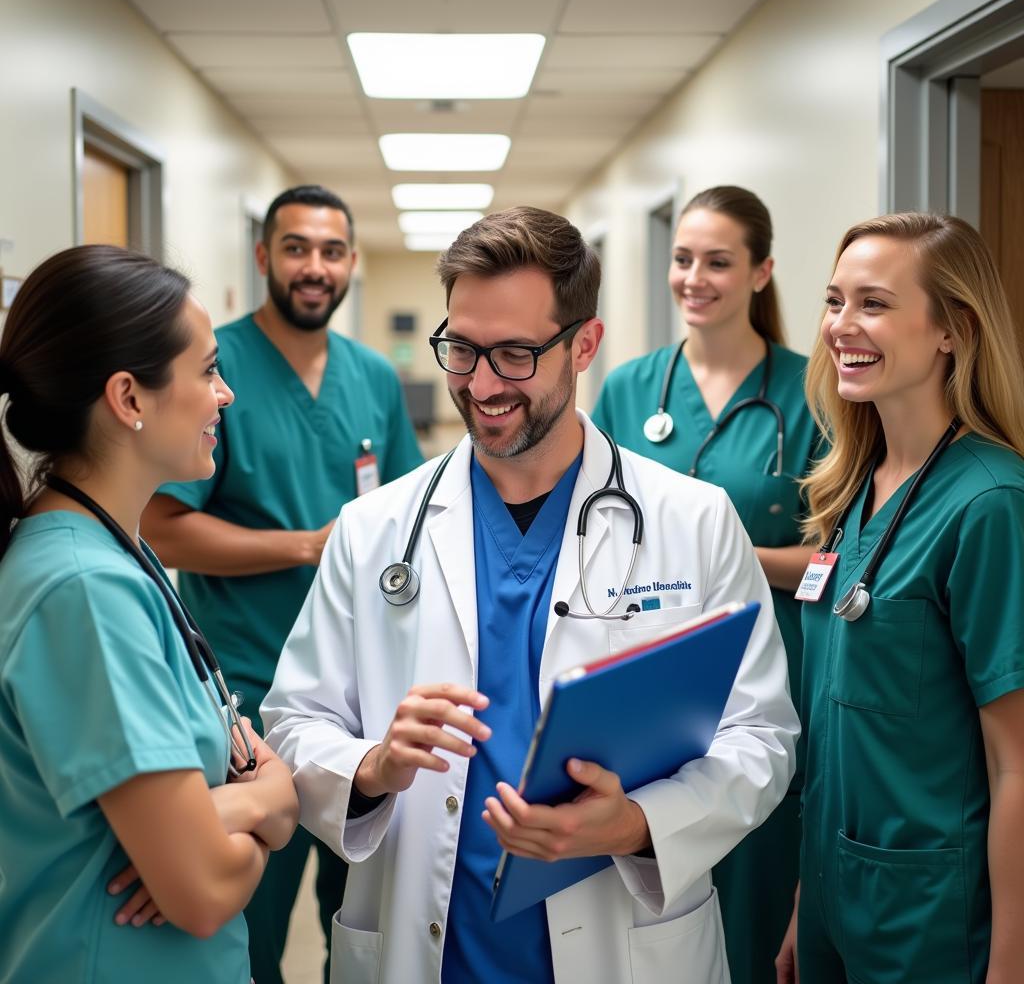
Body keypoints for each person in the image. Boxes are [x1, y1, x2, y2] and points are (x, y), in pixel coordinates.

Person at [261, 206, 799, 984]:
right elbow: (293, 723)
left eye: (515, 354)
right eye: (462, 349)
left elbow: (763, 736)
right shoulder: (374, 527)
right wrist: (371, 767)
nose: (480, 384)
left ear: (584, 344)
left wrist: (639, 823)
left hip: (627, 945)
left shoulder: (694, 520)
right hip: (428, 947)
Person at [141, 184, 423, 983]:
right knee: (247, 927)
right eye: (296, 248)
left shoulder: (371, 376)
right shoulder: (209, 365)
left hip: (365, 699)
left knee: (364, 917)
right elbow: (165, 528)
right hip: (249, 700)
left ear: (351, 265)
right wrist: (308, 547)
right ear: (264, 258)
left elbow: (412, 510)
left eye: (331, 251)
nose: (314, 267)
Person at [0, 245, 299, 982]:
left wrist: (236, 809)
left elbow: (267, 799)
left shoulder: (115, 551)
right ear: (130, 399)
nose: (225, 395)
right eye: (207, 371)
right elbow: (199, 891)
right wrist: (263, 802)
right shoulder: (82, 590)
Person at [775, 213, 1024, 983]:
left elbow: (1016, 763)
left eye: (873, 304)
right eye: (833, 300)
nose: (840, 327)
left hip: (929, 915)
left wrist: (1011, 963)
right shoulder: (858, 488)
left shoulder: (990, 503)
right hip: (833, 902)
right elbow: (839, 735)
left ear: (952, 328)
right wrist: (802, 904)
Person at [591, 185, 817, 984]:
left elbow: (835, 558)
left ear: (761, 273)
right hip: (650, 668)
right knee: (648, 884)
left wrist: (725, 556)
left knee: (751, 880)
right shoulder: (628, 389)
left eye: (718, 262)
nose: (695, 277)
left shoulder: (814, 390)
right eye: (683, 259)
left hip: (772, 665)